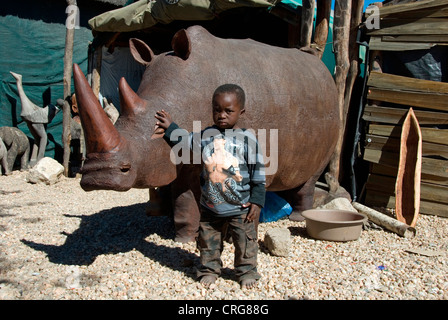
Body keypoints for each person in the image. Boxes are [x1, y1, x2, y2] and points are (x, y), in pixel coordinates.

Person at [154, 84, 266, 289]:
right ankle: (209, 269)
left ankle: (247, 271)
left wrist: (257, 201)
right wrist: (170, 127)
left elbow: (258, 172)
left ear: (241, 111)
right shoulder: (206, 136)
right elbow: (185, 142)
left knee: (245, 242)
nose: (222, 115)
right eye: (217, 110)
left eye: (228, 111)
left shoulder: (248, 140)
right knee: (208, 242)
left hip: (240, 208)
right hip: (211, 206)